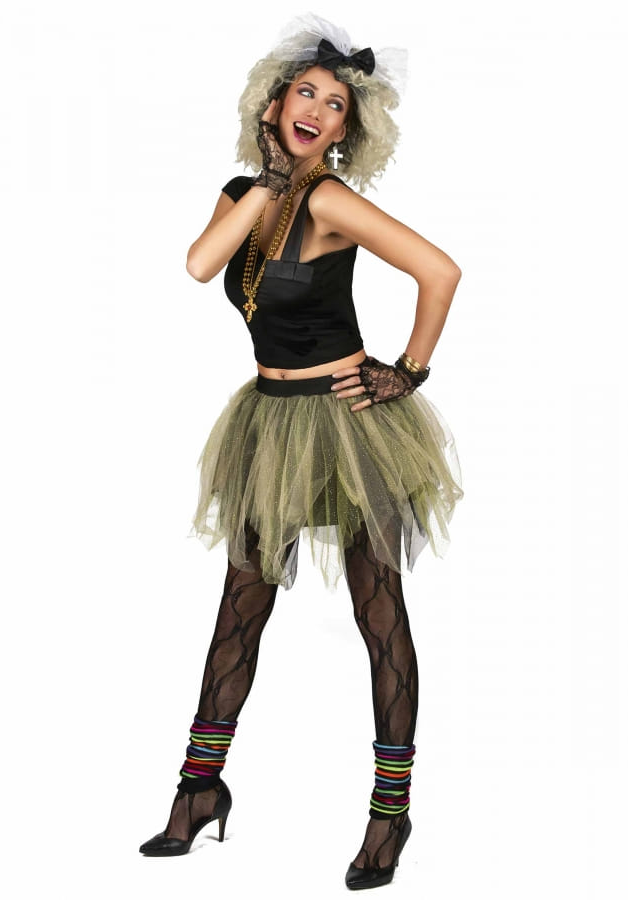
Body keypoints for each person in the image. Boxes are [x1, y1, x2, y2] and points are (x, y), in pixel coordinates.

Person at [138, 14, 464, 890]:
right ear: (274, 105)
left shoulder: (330, 201)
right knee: (240, 608)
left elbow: (440, 272)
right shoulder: (242, 193)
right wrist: (267, 184)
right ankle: (198, 789)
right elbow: (201, 264)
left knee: (378, 610)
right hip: (270, 420)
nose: (317, 110)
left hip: (349, 425)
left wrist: (408, 372)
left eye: (336, 105)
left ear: (349, 130)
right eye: (305, 94)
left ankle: (389, 813)